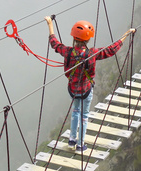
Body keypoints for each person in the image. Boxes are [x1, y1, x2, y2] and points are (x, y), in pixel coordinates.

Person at [45, 16, 135, 151]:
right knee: (84, 116)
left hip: (72, 90)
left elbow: (55, 43)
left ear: (74, 38)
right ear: (88, 39)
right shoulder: (92, 53)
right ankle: (80, 145)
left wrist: (50, 24)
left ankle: (71, 140)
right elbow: (111, 49)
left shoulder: (68, 52)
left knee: (75, 112)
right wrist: (126, 35)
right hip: (86, 90)